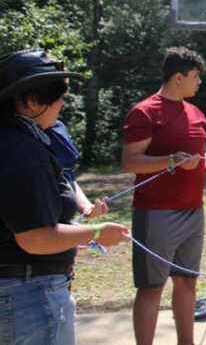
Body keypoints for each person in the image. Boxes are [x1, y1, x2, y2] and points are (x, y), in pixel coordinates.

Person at [0, 49, 129, 345]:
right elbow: (34, 237)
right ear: (31, 101)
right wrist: (96, 232)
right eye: (58, 96)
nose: (61, 104)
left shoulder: (18, 141)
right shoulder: (22, 150)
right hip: (28, 297)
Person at [121, 47, 206, 345]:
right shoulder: (145, 112)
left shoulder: (196, 113)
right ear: (178, 77)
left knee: (187, 282)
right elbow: (130, 160)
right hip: (156, 213)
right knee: (151, 287)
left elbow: (199, 151)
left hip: (193, 212)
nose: (199, 83)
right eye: (195, 77)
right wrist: (170, 160)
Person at [47, 120, 107, 218]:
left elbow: (67, 176)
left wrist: (86, 207)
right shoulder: (21, 136)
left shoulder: (58, 126)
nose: (62, 103)